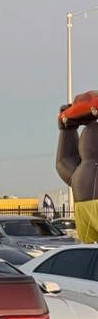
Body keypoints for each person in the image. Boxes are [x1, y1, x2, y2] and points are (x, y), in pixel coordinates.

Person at [56, 90, 98, 242]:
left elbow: (64, 160)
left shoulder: (79, 172)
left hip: (84, 209)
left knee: (89, 249)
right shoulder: (80, 170)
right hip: (84, 209)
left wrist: (67, 130)